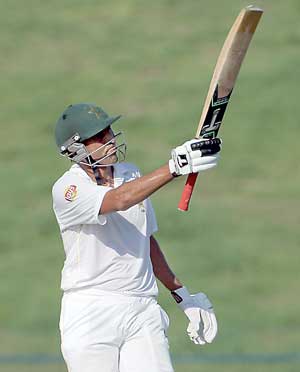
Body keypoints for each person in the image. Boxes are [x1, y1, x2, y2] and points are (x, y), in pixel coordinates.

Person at [52, 103, 221, 372]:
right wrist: (175, 167)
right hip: (91, 310)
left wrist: (182, 295)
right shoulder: (68, 189)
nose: (110, 139)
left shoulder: (130, 174)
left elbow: (145, 240)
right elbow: (118, 200)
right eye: (99, 136)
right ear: (75, 148)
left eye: (108, 131)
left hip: (142, 307)